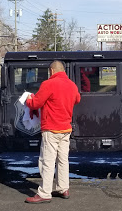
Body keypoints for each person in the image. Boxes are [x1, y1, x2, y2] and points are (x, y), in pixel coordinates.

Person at [24, 60, 81, 204]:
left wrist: (29, 99)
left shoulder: (48, 84)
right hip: (66, 129)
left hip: (51, 129)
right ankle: (63, 188)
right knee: (63, 161)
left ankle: (44, 193)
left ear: (51, 70)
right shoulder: (72, 85)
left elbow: (36, 103)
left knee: (47, 161)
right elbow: (77, 99)